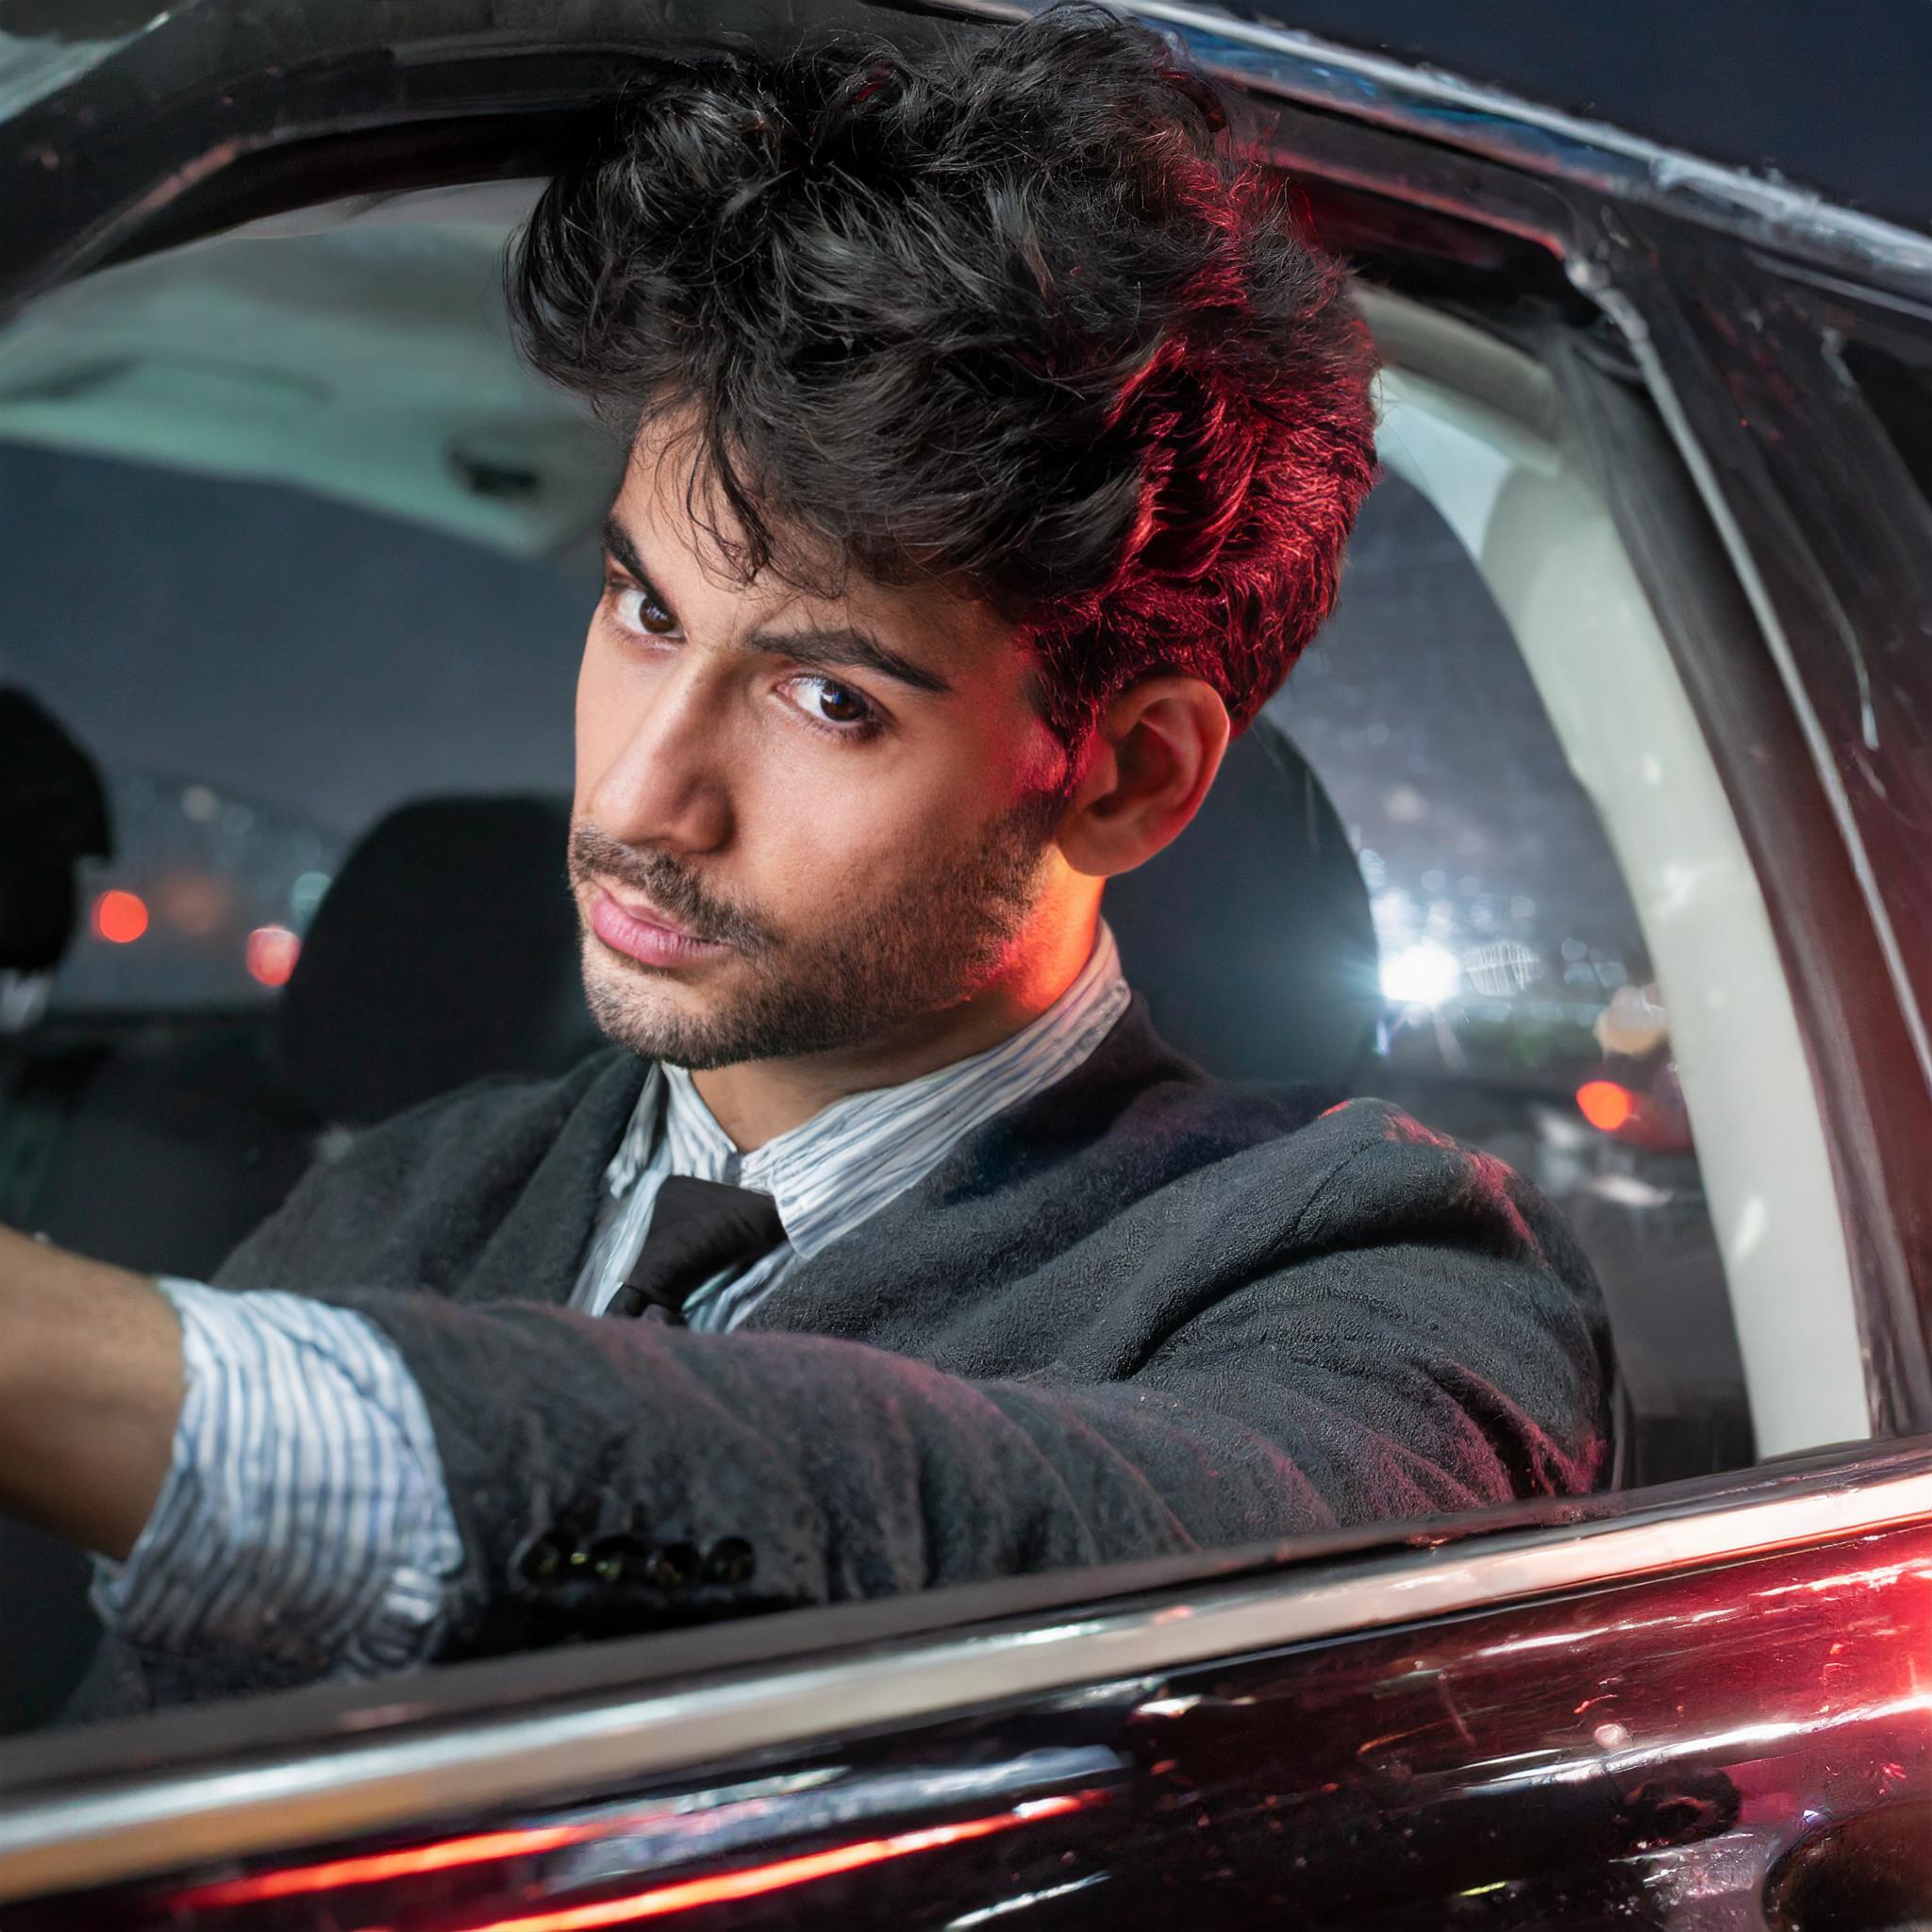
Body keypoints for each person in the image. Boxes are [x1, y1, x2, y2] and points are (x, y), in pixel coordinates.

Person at [0, 6, 1609, 1720]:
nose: (639, 793)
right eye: (641, 609)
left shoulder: (1374, 1273)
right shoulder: (395, 1200)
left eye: (827, 695)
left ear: (1128, 778)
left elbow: (1122, 1561)